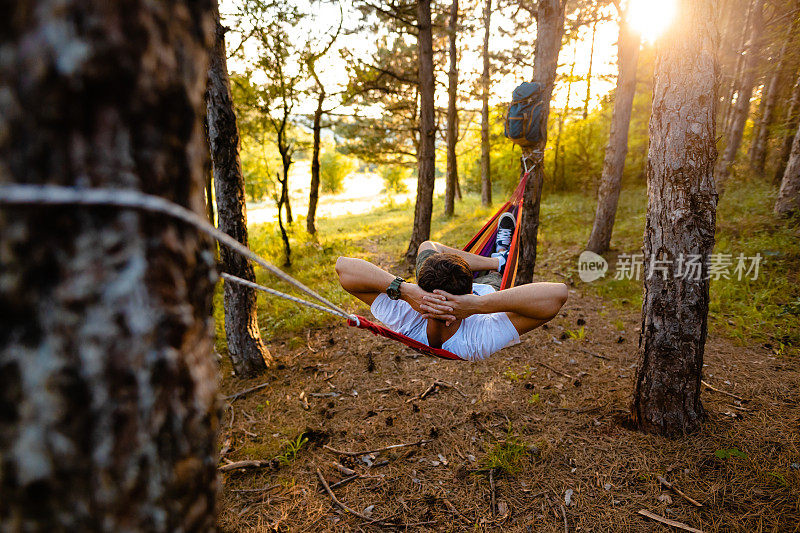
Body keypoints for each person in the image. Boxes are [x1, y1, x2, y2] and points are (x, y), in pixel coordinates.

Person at [335, 213, 568, 361]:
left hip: (435, 293)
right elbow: (558, 295)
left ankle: (496, 260)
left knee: (428, 246)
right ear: (469, 291)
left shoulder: (405, 317)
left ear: (421, 285)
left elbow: (343, 268)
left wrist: (406, 291)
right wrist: (479, 304)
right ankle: (499, 263)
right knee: (493, 279)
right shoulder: (476, 339)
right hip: (489, 290)